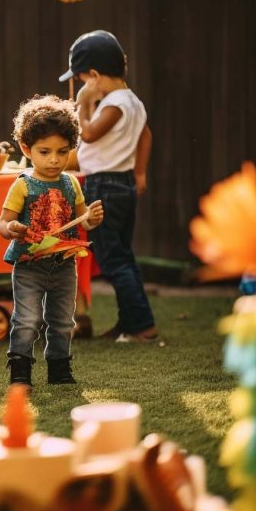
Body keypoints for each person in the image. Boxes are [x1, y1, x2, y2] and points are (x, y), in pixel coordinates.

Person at [0, 96, 104, 388]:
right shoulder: (22, 184)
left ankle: (59, 370)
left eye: (63, 151)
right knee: (27, 320)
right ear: (26, 149)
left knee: (62, 321)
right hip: (29, 265)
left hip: (64, 266)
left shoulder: (71, 184)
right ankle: (20, 372)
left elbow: (84, 220)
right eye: (44, 152)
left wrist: (93, 217)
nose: (55, 160)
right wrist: (13, 227)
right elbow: (2, 225)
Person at [61, 31, 158, 343]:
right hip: (124, 183)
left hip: (104, 185)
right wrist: (139, 174)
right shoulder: (134, 102)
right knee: (123, 256)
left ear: (94, 76)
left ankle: (141, 325)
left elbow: (88, 135)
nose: (79, 87)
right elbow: (146, 136)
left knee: (114, 259)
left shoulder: (113, 104)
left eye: (80, 81)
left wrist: (83, 104)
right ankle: (129, 322)